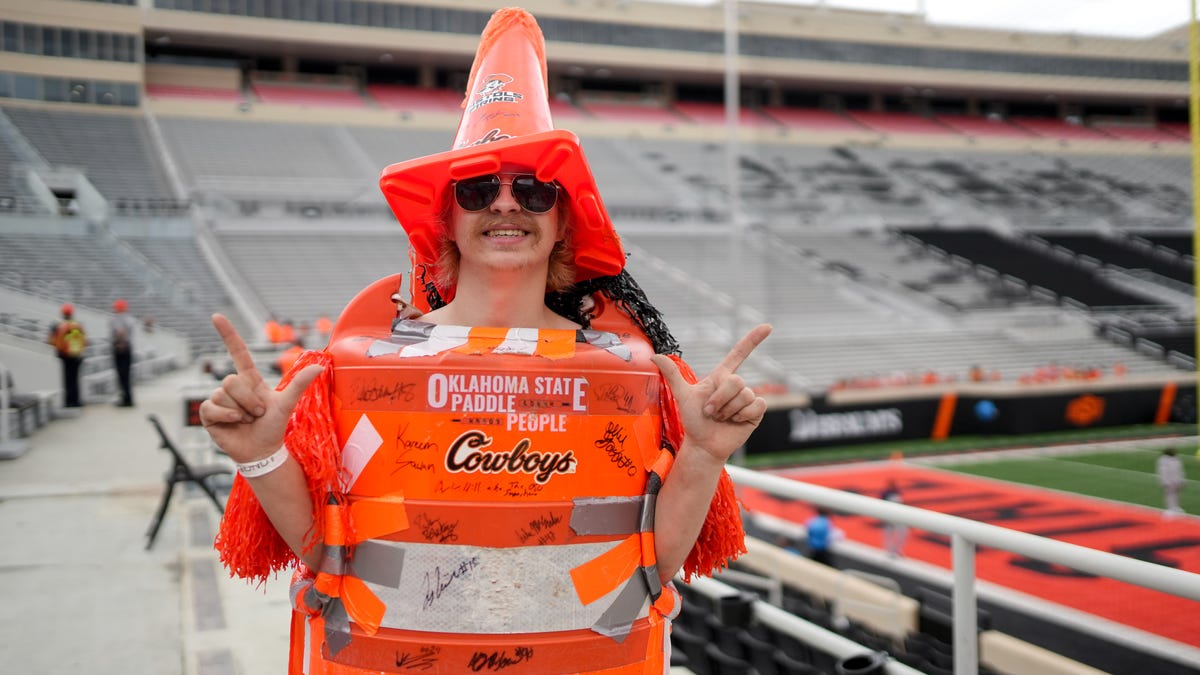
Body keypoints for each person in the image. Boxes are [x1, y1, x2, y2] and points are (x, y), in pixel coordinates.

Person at [199, 9, 770, 674]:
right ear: (444, 219)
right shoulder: (353, 372)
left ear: (563, 223)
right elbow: (324, 551)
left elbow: (651, 566)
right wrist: (264, 455)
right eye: (477, 188)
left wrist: (701, 453)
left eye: (532, 189)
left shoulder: (635, 376)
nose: (506, 204)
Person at [47, 303, 86, 408]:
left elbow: (50, 340)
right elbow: (85, 341)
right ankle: (76, 401)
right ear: (72, 313)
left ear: (62, 313)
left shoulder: (57, 325)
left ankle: (68, 402)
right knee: (75, 379)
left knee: (67, 380)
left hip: (64, 356)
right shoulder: (78, 324)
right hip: (77, 355)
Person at [109, 298, 135, 407]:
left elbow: (120, 332)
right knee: (127, 375)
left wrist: (119, 344)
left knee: (122, 375)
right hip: (128, 348)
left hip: (120, 349)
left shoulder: (117, 319)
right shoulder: (129, 319)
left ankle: (125, 399)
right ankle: (128, 398)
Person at [880, 479, 908, 558]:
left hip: (897, 516)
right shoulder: (886, 493)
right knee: (888, 534)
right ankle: (888, 551)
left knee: (902, 532)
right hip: (888, 516)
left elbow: (901, 504)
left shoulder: (896, 491)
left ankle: (896, 550)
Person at [1157, 448, 1185, 516]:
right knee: (1174, 495)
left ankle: (1172, 509)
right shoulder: (1176, 459)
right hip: (1176, 481)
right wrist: (1182, 480)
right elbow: (1180, 471)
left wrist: (1165, 482)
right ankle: (1174, 508)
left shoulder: (1163, 460)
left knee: (1170, 496)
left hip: (1171, 481)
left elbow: (1163, 472)